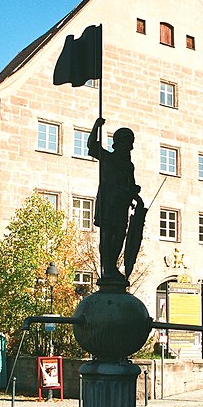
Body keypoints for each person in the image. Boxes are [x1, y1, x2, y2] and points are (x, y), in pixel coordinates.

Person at [87, 117, 141, 283]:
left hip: (121, 206)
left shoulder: (128, 165)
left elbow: (130, 184)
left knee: (119, 236)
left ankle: (112, 266)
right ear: (118, 143)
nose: (131, 147)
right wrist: (97, 125)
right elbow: (91, 146)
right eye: (128, 143)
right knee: (107, 235)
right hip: (108, 203)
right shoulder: (108, 158)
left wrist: (134, 192)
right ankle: (107, 268)